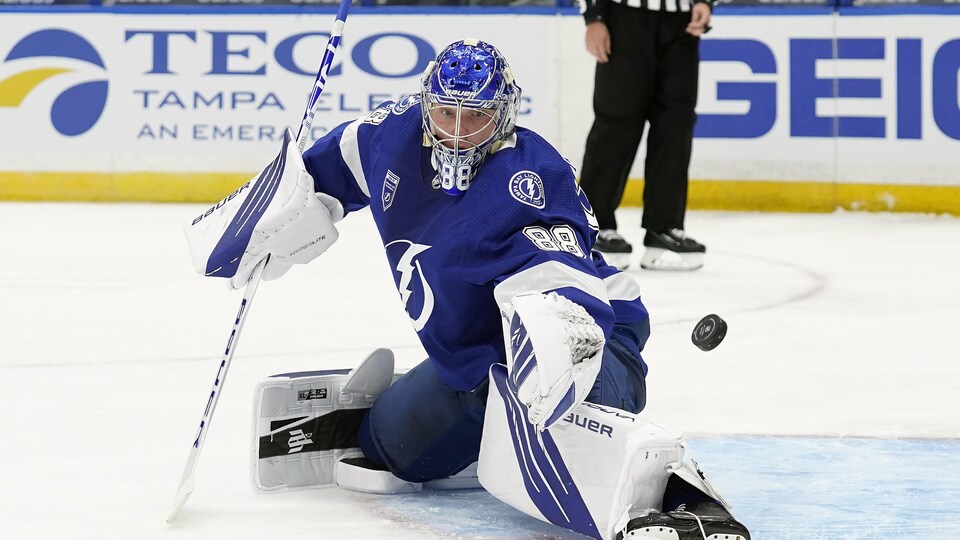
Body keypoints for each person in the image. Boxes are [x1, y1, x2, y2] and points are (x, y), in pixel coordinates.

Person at [187, 39, 748, 540]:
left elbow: (567, 301)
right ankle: (485, 430)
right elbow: (318, 177)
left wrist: (551, 359)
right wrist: (266, 217)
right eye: (445, 113)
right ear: (425, 106)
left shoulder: (528, 179)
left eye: (474, 117)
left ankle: (681, 499)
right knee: (392, 449)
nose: (456, 130)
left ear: (502, 116)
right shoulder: (393, 136)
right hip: (476, 360)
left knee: (554, 405)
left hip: (593, 339)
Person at [579, 0, 714, 271]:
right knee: (617, 122)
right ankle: (594, 227)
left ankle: (663, 228)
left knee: (676, 124)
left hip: (682, 23)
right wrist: (594, 15)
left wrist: (705, 2)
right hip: (624, 16)